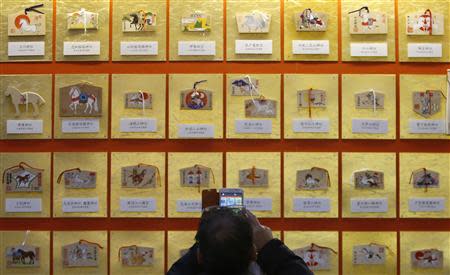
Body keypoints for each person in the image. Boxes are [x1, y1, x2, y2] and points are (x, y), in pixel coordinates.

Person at [167, 207, 313, 275]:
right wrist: (270, 246)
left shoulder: (197, 257)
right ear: (253, 253)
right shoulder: (261, 253)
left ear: (200, 256)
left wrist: (210, 235)